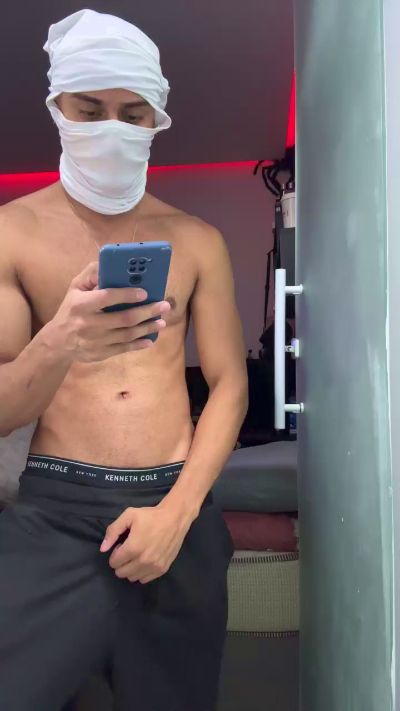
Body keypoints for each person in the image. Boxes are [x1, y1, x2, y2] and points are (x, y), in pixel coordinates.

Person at [0, 8, 248, 711]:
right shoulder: (11, 233)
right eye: (90, 110)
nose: (111, 127)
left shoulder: (196, 239)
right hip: (54, 512)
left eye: (133, 114)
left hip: (174, 506)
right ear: (57, 108)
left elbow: (230, 384)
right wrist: (61, 339)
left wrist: (178, 512)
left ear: (156, 121)